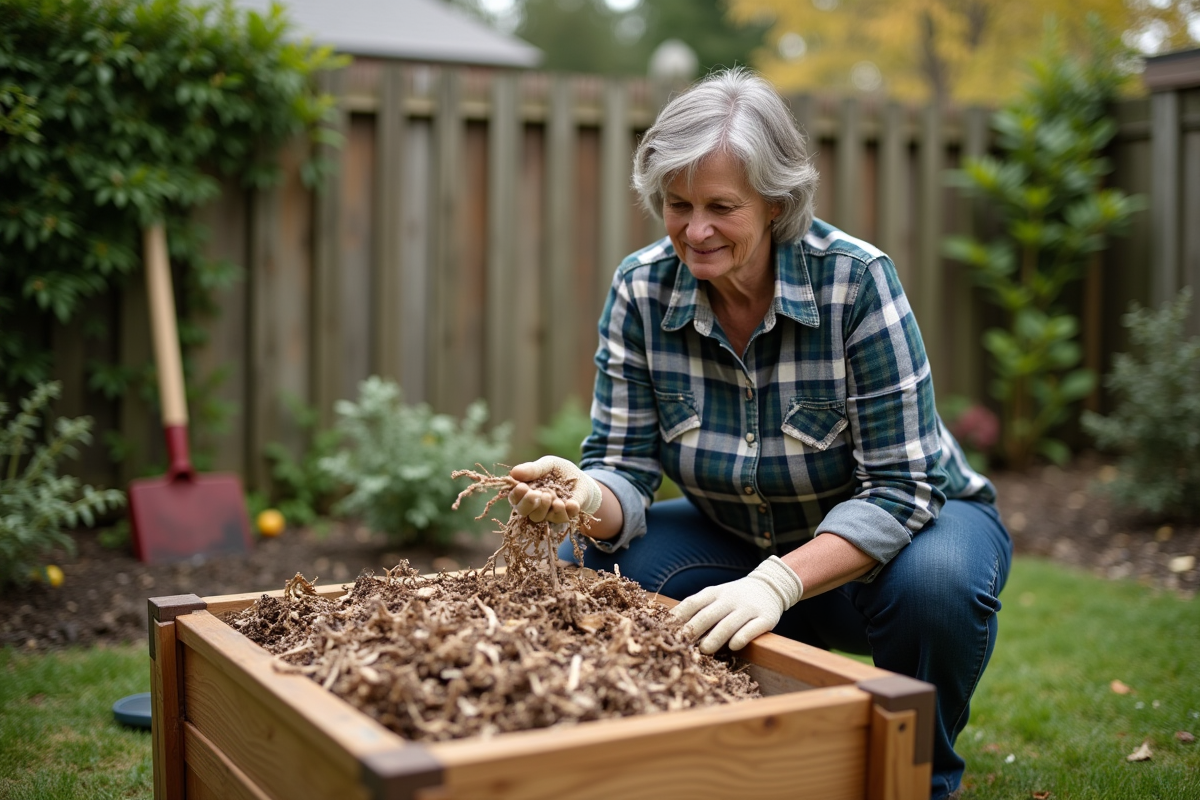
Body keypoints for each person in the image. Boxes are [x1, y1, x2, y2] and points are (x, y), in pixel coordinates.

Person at [506, 67, 1010, 800]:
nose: (694, 229)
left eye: (721, 206)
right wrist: (583, 493)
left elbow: (903, 488)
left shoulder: (855, 281)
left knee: (937, 587)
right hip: (742, 531)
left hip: (908, 530)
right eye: (677, 204)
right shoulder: (642, 290)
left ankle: (917, 777)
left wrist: (779, 581)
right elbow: (623, 466)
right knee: (582, 558)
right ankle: (737, 749)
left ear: (776, 203)